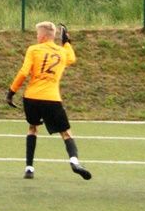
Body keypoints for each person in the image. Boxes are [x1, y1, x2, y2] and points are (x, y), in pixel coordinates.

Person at [6, 21, 92, 181]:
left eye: (38, 34)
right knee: (66, 133)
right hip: (52, 98)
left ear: (44, 36)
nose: (36, 36)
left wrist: (11, 92)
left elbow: (24, 72)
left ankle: (29, 168)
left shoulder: (33, 49)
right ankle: (74, 161)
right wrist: (66, 42)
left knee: (32, 128)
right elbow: (72, 58)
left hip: (32, 97)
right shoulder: (62, 52)